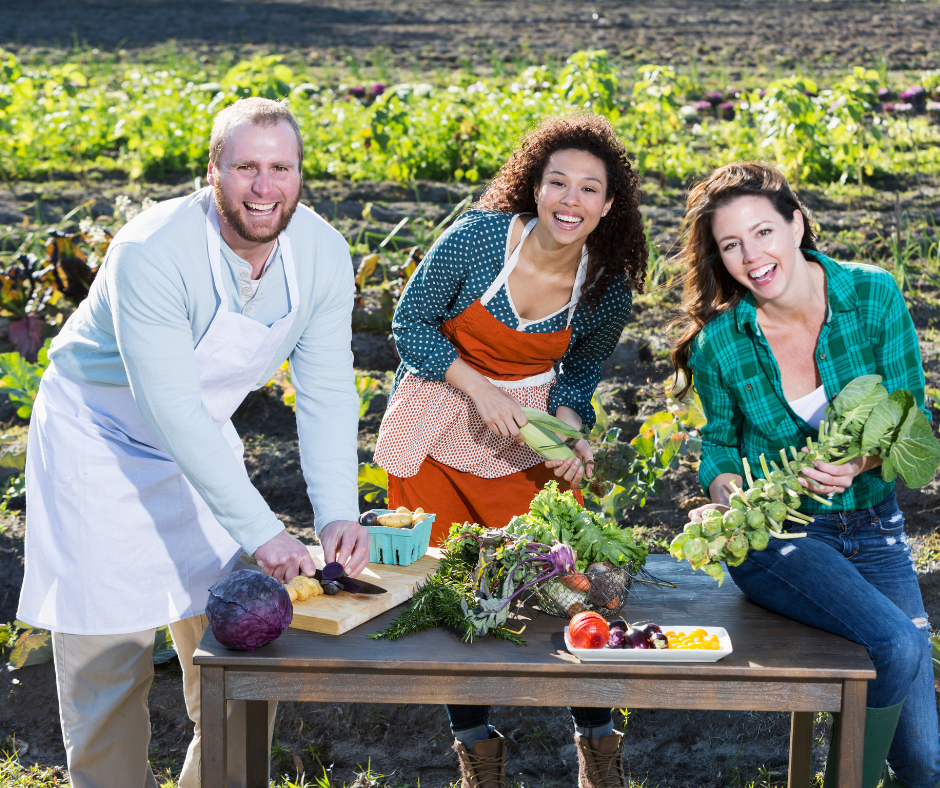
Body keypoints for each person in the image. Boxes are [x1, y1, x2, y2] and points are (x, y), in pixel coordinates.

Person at [16, 97, 369, 788]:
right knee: (107, 666)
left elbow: (326, 391)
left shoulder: (322, 254)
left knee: (245, 647)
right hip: (99, 442)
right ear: (212, 172)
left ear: (300, 177)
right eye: (245, 166)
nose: (263, 187)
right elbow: (167, 405)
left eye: (280, 168)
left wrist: (336, 512)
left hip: (201, 445)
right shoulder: (153, 250)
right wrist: (266, 531)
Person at [374, 113, 648, 788]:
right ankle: (477, 756)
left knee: (572, 582)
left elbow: (580, 372)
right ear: (535, 186)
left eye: (589, 189)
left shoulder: (605, 285)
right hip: (438, 422)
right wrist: (479, 389)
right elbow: (409, 325)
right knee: (461, 598)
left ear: (608, 206)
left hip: (522, 438)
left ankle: (598, 748)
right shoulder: (476, 242)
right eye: (558, 182)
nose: (570, 200)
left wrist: (567, 425)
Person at [670, 161, 939, 788]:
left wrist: (860, 462)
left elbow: (912, 420)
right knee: (897, 644)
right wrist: (732, 493)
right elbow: (718, 447)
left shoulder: (873, 297)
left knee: (927, 761)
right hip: (780, 537)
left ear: (797, 224)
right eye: (730, 244)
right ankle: (853, 779)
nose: (751, 256)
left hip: (874, 527)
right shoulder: (722, 342)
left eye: (763, 232)